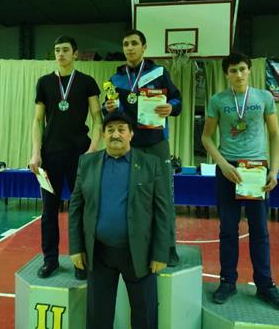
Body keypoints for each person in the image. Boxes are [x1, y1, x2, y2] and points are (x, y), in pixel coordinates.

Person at [200, 52, 279, 311]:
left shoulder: (264, 97)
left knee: (259, 230)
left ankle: (265, 285)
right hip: (229, 170)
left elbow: (275, 134)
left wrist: (274, 171)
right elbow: (206, 137)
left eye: (242, 69)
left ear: (249, 70)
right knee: (228, 229)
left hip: (256, 170)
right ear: (226, 74)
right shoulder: (218, 100)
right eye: (233, 71)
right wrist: (222, 164)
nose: (238, 74)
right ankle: (227, 281)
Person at [69, 110, 170, 329]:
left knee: (145, 317)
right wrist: (76, 247)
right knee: (98, 317)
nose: (115, 134)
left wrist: (161, 253)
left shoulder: (150, 164)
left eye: (121, 130)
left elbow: (163, 212)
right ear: (103, 134)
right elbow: (76, 208)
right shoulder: (87, 163)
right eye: (110, 130)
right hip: (99, 254)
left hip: (140, 254)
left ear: (131, 134)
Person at [104, 29, 182, 266]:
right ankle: (136, 245)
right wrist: (107, 108)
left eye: (134, 43)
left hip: (157, 143)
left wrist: (171, 107)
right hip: (130, 146)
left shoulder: (159, 73)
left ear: (144, 47)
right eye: (125, 44)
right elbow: (108, 112)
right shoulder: (115, 79)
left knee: (163, 197)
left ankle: (168, 247)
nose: (129, 48)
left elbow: (177, 100)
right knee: (134, 198)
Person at [29, 36, 102, 280]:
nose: (60, 54)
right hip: (50, 156)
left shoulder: (87, 82)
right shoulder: (44, 83)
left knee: (80, 210)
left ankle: (82, 261)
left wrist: (92, 150)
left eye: (65, 50)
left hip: (79, 156)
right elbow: (38, 120)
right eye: (57, 50)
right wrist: (35, 153)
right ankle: (50, 260)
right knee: (49, 211)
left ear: (75, 53)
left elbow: (98, 119)